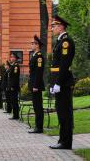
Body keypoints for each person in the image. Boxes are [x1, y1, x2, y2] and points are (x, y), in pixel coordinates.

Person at [49, 15, 75, 150]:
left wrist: (58, 83)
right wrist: (52, 84)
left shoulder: (66, 42)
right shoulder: (60, 41)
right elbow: (55, 66)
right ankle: (62, 140)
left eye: (54, 26)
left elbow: (64, 65)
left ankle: (66, 142)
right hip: (59, 83)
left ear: (61, 27)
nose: (52, 28)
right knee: (61, 112)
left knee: (65, 113)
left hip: (63, 83)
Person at [28, 35, 45, 134]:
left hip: (36, 85)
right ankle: (37, 126)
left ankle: (39, 127)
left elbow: (39, 72)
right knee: (35, 106)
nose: (32, 45)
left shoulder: (39, 57)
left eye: (33, 43)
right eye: (32, 43)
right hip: (34, 84)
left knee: (38, 106)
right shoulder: (34, 55)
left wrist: (35, 85)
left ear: (38, 45)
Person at [8, 53, 20, 120]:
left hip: (14, 87)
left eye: (12, 57)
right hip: (11, 86)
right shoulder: (12, 65)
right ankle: (14, 115)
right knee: (13, 101)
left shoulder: (16, 66)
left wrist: (12, 86)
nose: (11, 58)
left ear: (15, 58)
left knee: (14, 101)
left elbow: (15, 77)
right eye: (11, 57)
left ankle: (16, 115)